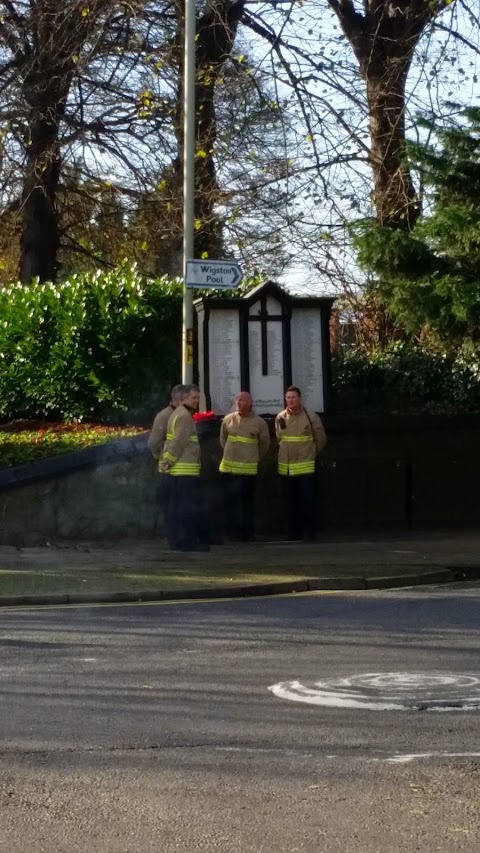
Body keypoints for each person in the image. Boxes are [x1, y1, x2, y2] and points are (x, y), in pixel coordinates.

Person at [161, 384, 210, 551]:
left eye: (198, 398)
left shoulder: (177, 414)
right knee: (187, 509)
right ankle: (188, 542)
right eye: (194, 398)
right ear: (184, 398)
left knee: (179, 508)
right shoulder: (184, 417)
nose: (197, 401)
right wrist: (169, 460)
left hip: (179, 470)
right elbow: (179, 441)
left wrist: (168, 461)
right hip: (185, 470)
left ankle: (179, 541)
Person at [275, 385, 327, 542]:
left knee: (308, 502)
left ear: (300, 399)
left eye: (293, 397)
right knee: (290, 503)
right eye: (288, 397)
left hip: (306, 467)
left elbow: (321, 439)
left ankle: (309, 532)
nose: (290, 400)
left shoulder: (311, 417)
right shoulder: (280, 417)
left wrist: (310, 454)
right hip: (286, 468)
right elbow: (280, 439)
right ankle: (293, 533)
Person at [219, 391, 270, 542]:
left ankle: (247, 534)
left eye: (242, 400)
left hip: (248, 471)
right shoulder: (228, 419)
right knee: (230, 503)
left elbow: (265, 444)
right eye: (237, 400)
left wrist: (253, 457)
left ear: (250, 403)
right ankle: (232, 533)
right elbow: (223, 439)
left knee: (247, 504)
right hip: (228, 469)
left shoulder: (259, 423)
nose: (238, 403)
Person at [147, 384, 185, 547]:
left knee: (180, 504)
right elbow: (153, 442)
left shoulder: (180, 415)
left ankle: (179, 537)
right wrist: (161, 457)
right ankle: (173, 538)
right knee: (172, 505)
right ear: (177, 399)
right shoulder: (165, 416)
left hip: (181, 467)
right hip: (168, 467)